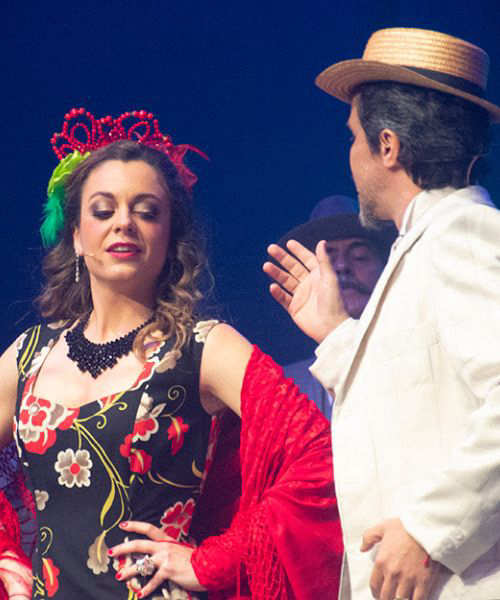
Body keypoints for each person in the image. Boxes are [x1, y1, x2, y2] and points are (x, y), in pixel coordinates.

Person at [0, 108, 341, 600]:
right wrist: (6, 555)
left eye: (147, 211)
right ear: (74, 234)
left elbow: (319, 453)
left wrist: (216, 560)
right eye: (103, 210)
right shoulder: (28, 356)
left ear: (170, 237)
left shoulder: (204, 347)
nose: (124, 223)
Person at [264, 27, 500, 600]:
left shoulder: (463, 233)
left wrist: (430, 531)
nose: (351, 155)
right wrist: (338, 337)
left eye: (354, 137)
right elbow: (417, 399)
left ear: (387, 146)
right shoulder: (422, 246)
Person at [280, 195, 395, 419]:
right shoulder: (286, 392)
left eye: (359, 256)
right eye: (328, 258)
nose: (341, 266)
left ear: (386, 268)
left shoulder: (418, 359)